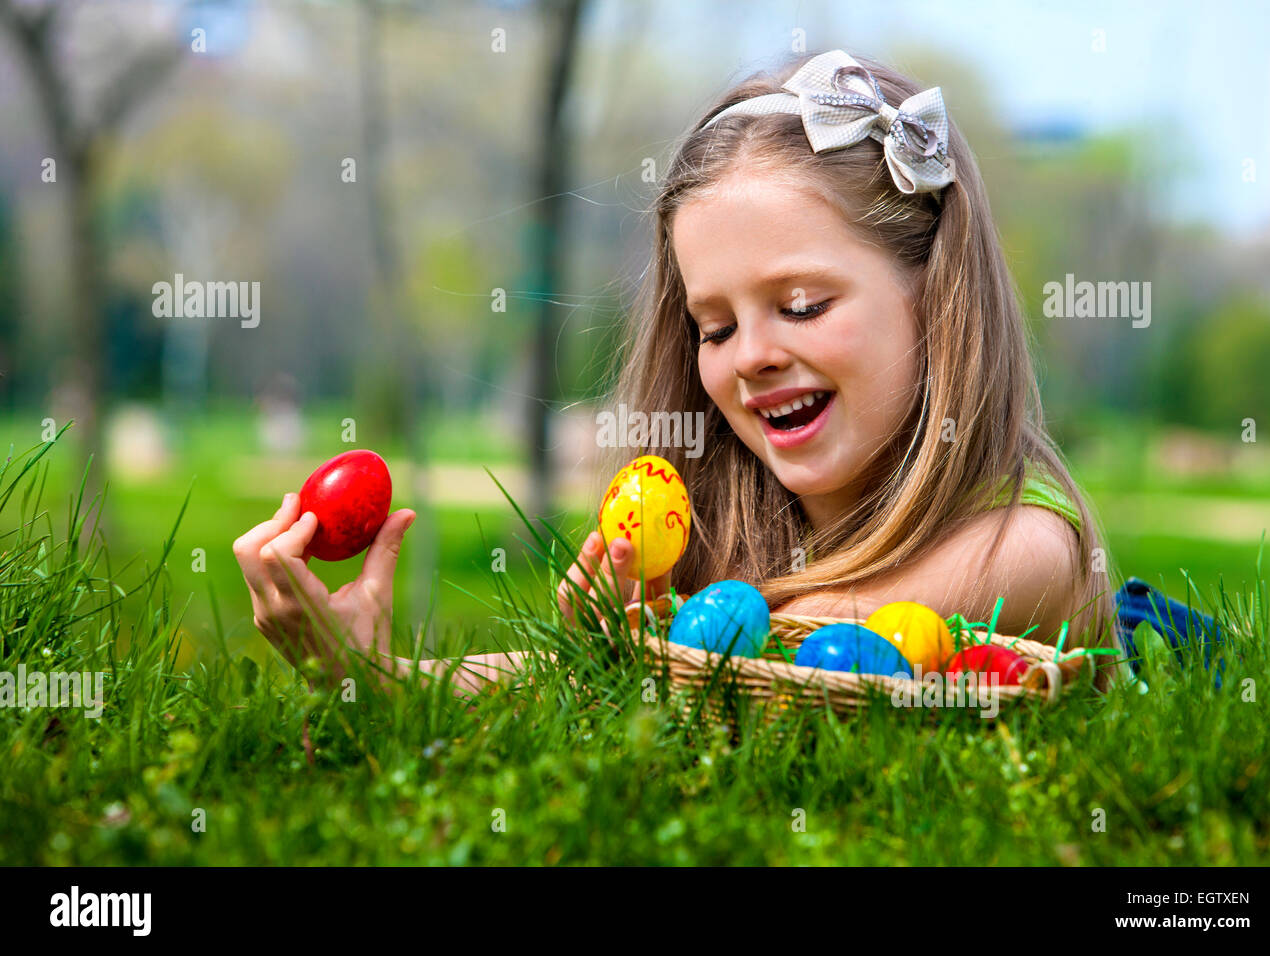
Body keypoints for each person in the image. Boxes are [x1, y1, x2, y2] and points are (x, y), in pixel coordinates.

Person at [234, 49, 1125, 698]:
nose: (753, 355)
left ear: (938, 295)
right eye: (714, 326)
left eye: (804, 305)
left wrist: (589, 658)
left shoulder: (1026, 549)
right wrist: (374, 676)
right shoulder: (717, 545)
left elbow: (757, 664)